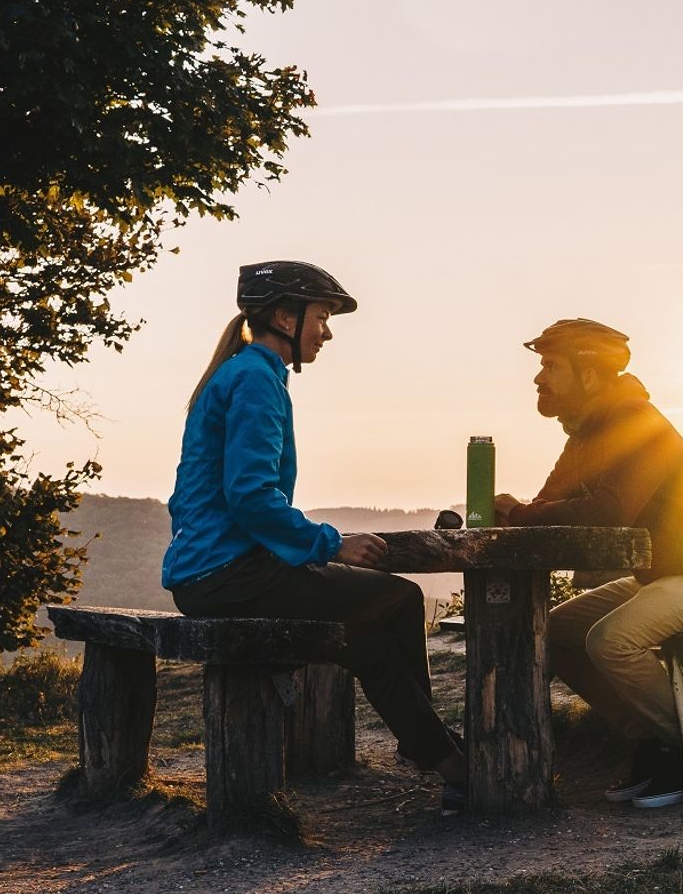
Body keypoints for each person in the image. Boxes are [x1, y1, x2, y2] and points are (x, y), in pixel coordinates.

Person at [161, 261, 468, 816]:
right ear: (285, 317)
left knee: (370, 645)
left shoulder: (241, 373)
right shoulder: (256, 379)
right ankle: (444, 756)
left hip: (208, 574)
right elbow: (251, 497)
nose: (326, 333)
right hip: (230, 575)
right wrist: (331, 544)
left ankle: (443, 759)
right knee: (401, 598)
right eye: (322, 318)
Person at [495, 319, 683, 808]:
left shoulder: (637, 422)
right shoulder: (585, 434)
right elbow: (547, 505)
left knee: (610, 640)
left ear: (590, 375)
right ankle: (650, 737)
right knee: (553, 634)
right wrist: (516, 513)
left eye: (551, 366)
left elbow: (611, 509)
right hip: (661, 580)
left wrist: (521, 513)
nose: (538, 377)